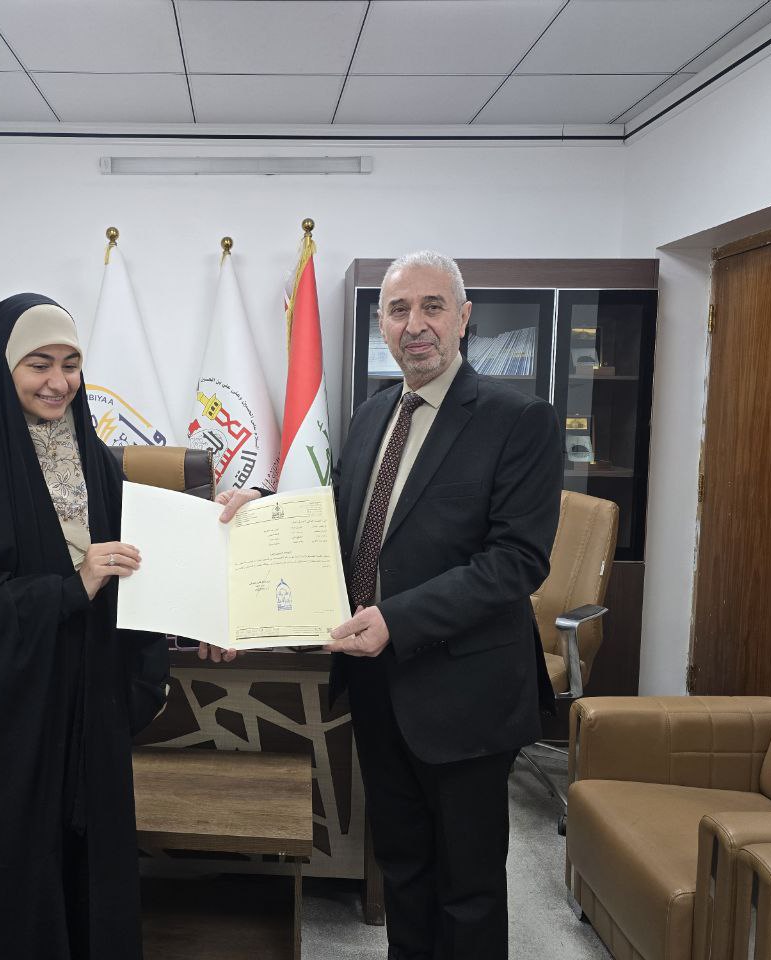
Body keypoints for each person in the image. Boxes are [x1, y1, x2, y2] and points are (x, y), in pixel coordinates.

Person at [214, 251, 560, 959]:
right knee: (402, 868)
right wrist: (263, 507)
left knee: (467, 887)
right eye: (399, 310)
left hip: (466, 695)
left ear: (463, 318)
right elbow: (342, 519)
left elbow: (515, 562)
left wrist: (397, 620)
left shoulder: (519, 420)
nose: (415, 324)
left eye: (433, 306)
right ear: (382, 325)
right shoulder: (373, 414)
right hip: (378, 688)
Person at [0, 293, 167, 960]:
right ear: (4, 371)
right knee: (16, 874)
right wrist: (69, 588)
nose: (58, 382)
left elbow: (141, 557)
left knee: (90, 873)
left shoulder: (95, 459)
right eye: (39, 364)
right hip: (12, 728)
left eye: (71, 363)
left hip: (87, 698)